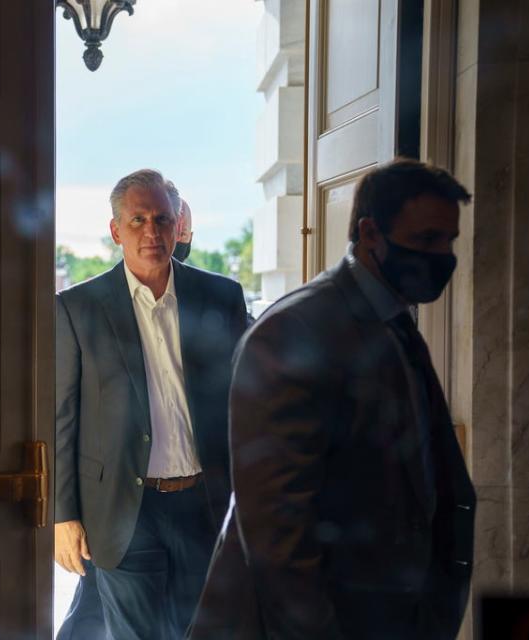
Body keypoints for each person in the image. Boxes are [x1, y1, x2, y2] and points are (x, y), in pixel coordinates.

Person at [188, 159, 477, 639]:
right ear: (369, 234)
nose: (442, 256)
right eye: (427, 239)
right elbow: (279, 537)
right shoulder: (293, 332)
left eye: (449, 241)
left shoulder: (394, 320)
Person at [56, 169, 248, 639]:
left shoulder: (220, 297)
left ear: (177, 225)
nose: (151, 231)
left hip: (204, 504)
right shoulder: (77, 308)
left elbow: (248, 398)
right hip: (124, 509)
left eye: (162, 219)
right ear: (116, 230)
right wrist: (63, 515)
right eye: (137, 219)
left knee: (202, 630)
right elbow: (63, 416)